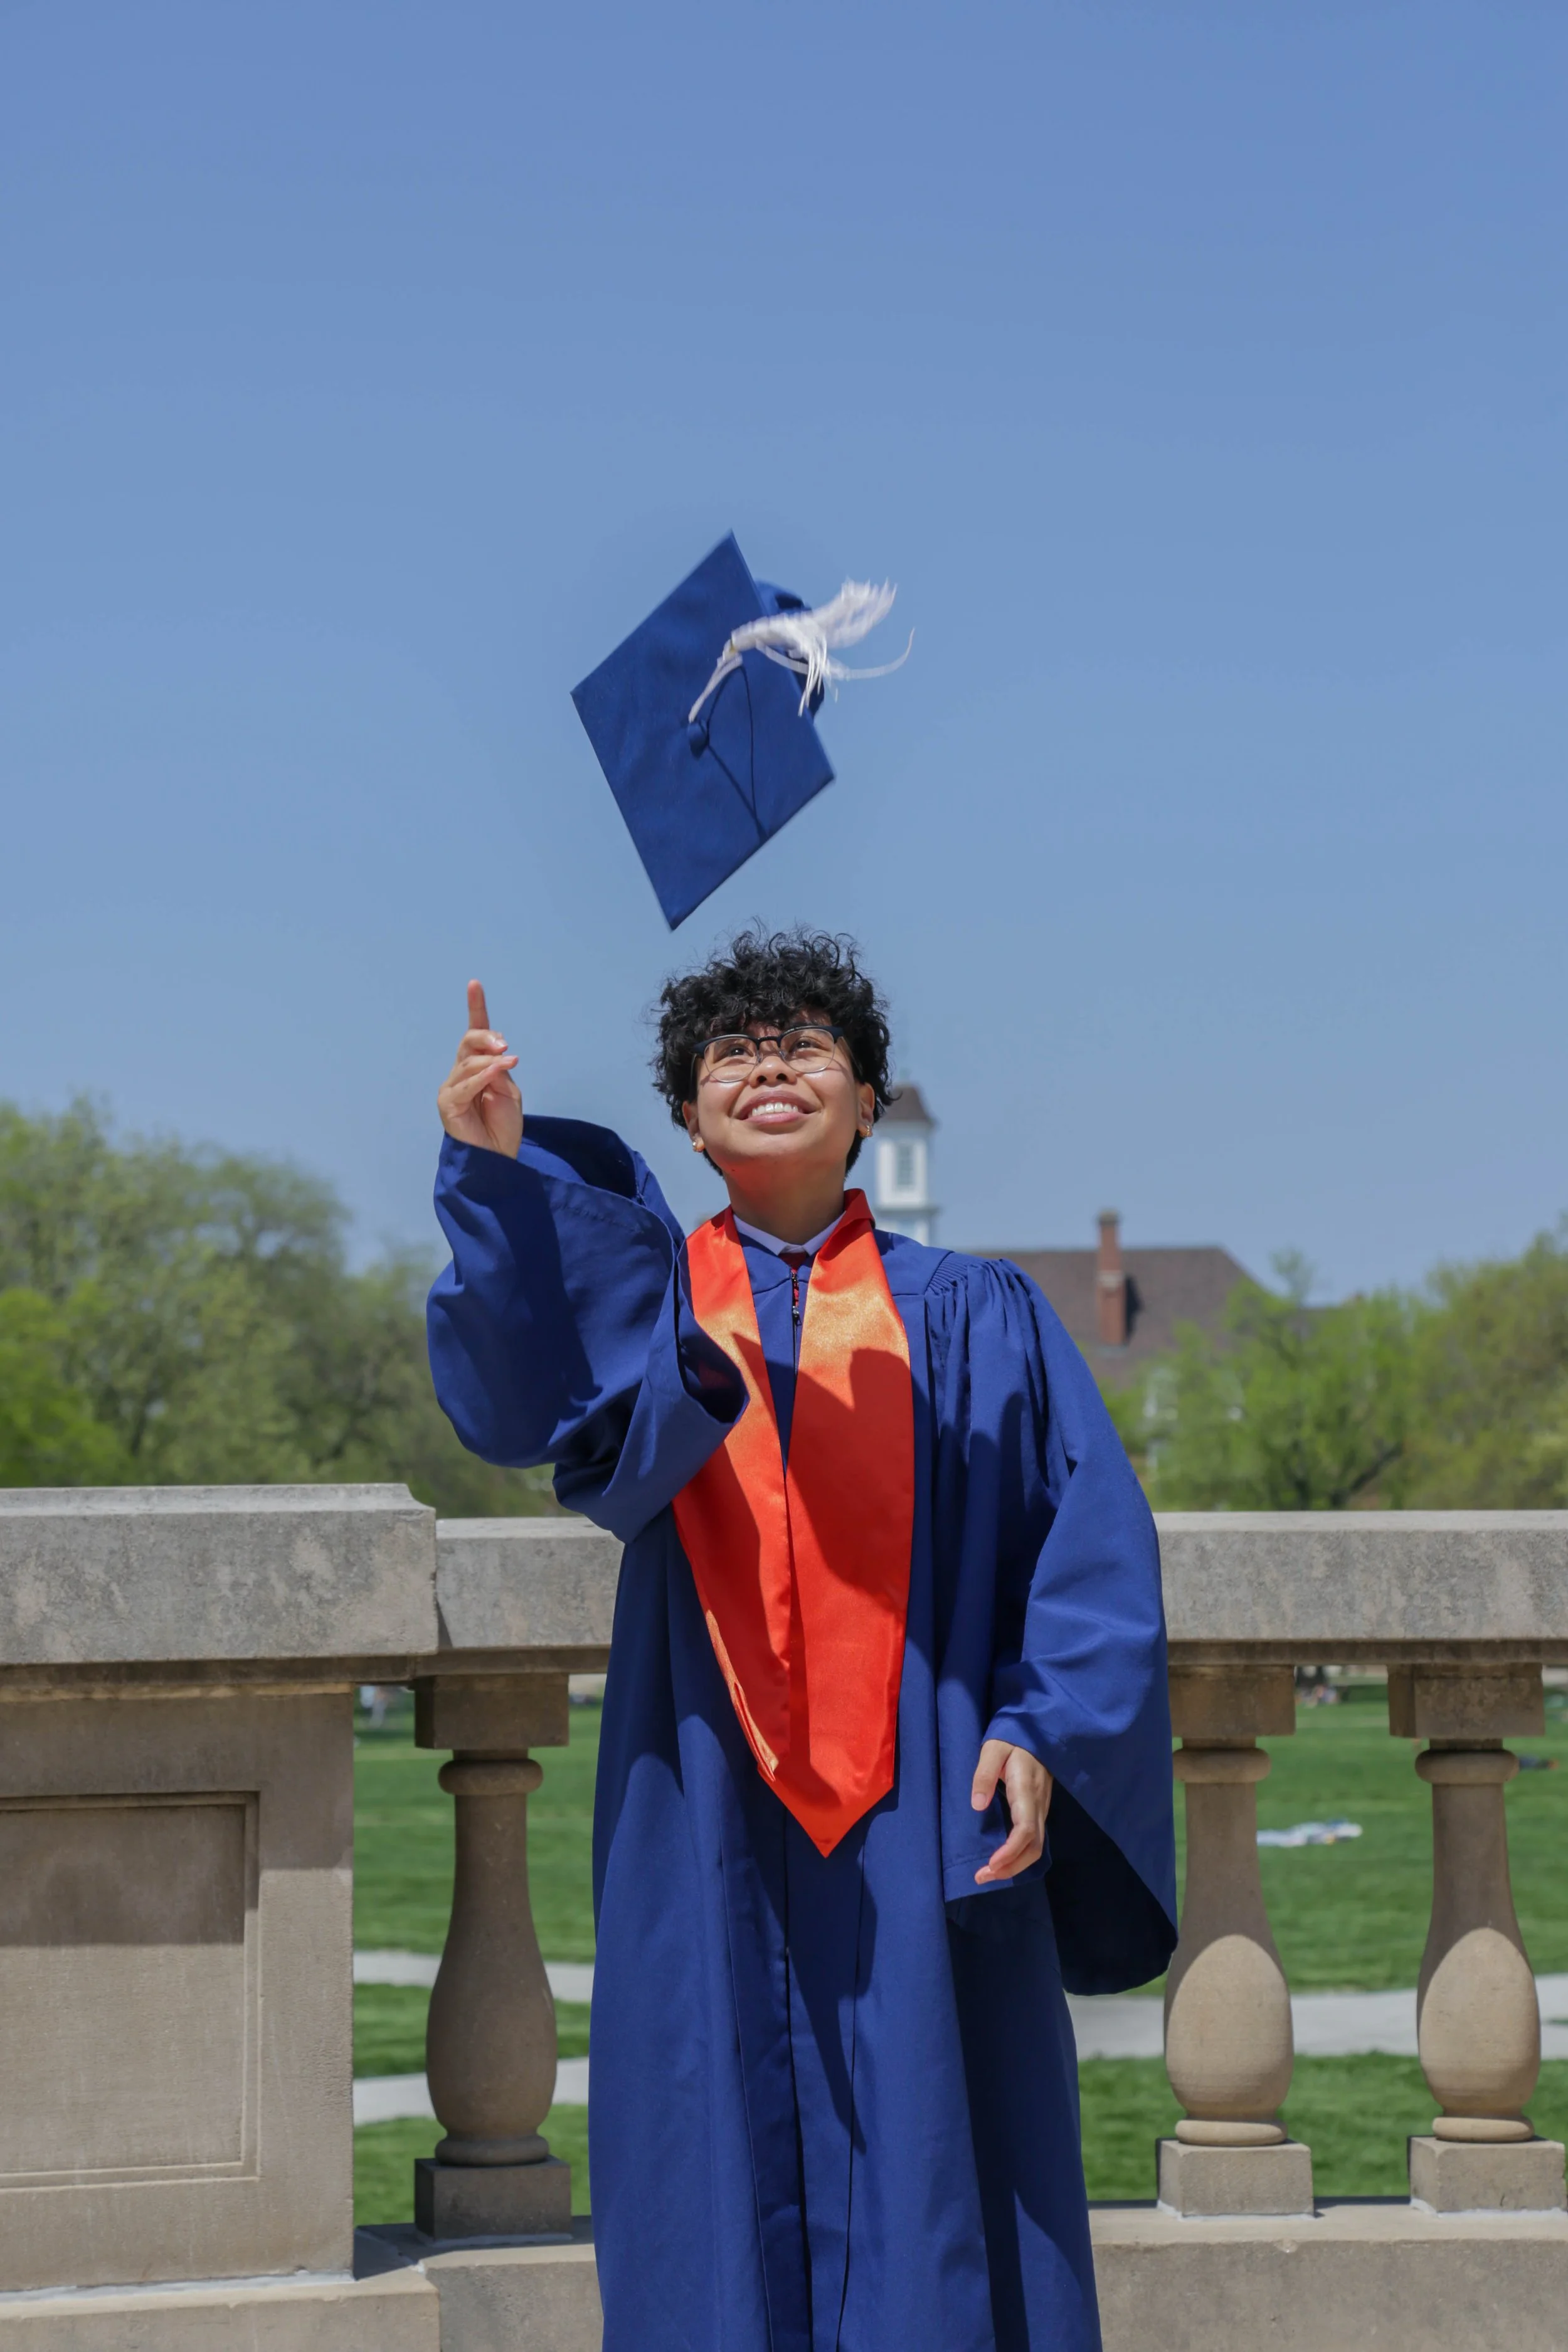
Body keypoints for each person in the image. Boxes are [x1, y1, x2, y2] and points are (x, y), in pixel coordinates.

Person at [428, 928, 1175, 2352]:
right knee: (707, 2129)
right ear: (687, 1113)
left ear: (869, 1102)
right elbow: (514, 1398)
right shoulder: (646, 1304)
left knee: (938, 2146)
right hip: (703, 1789)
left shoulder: (978, 1317)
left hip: (930, 1783)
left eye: (805, 1044)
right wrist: (500, 1178)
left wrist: (1042, 1724)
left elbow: (1088, 1543)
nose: (767, 1065)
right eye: (730, 1051)